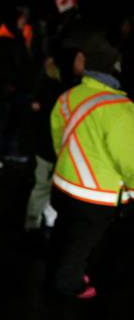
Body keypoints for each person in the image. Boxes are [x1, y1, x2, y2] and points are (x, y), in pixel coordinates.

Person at [47, 34, 134, 299]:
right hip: (96, 195)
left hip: (62, 183)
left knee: (64, 233)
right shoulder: (120, 108)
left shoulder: (68, 96)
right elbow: (129, 160)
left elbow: (57, 135)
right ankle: (69, 284)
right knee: (82, 243)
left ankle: (58, 270)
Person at [24, 48, 84, 235]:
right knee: (43, 186)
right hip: (50, 150)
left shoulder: (58, 86)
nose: (83, 65)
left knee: (46, 187)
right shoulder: (56, 89)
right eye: (79, 60)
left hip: (51, 150)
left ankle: (39, 223)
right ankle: (34, 225)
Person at [0, 7, 35, 168]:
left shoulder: (19, 38)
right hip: (6, 91)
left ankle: (10, 151)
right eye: (21, 18)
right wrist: (9, 84)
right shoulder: (3, 40)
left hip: (20, 90)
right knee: (0, 122)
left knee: (14, 122)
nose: (24, 21)